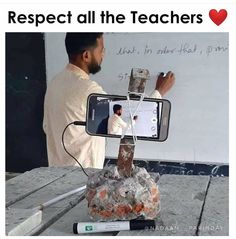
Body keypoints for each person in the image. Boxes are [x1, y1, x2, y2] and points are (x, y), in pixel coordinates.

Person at [43, 33, 175, 169]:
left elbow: (47, 127)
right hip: (80, 177)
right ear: (86, 56)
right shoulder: (88, 90)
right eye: (101, 50)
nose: (103, 55)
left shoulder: (55, 83)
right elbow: (129, 120)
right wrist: (159, 91)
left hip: (56, 174)